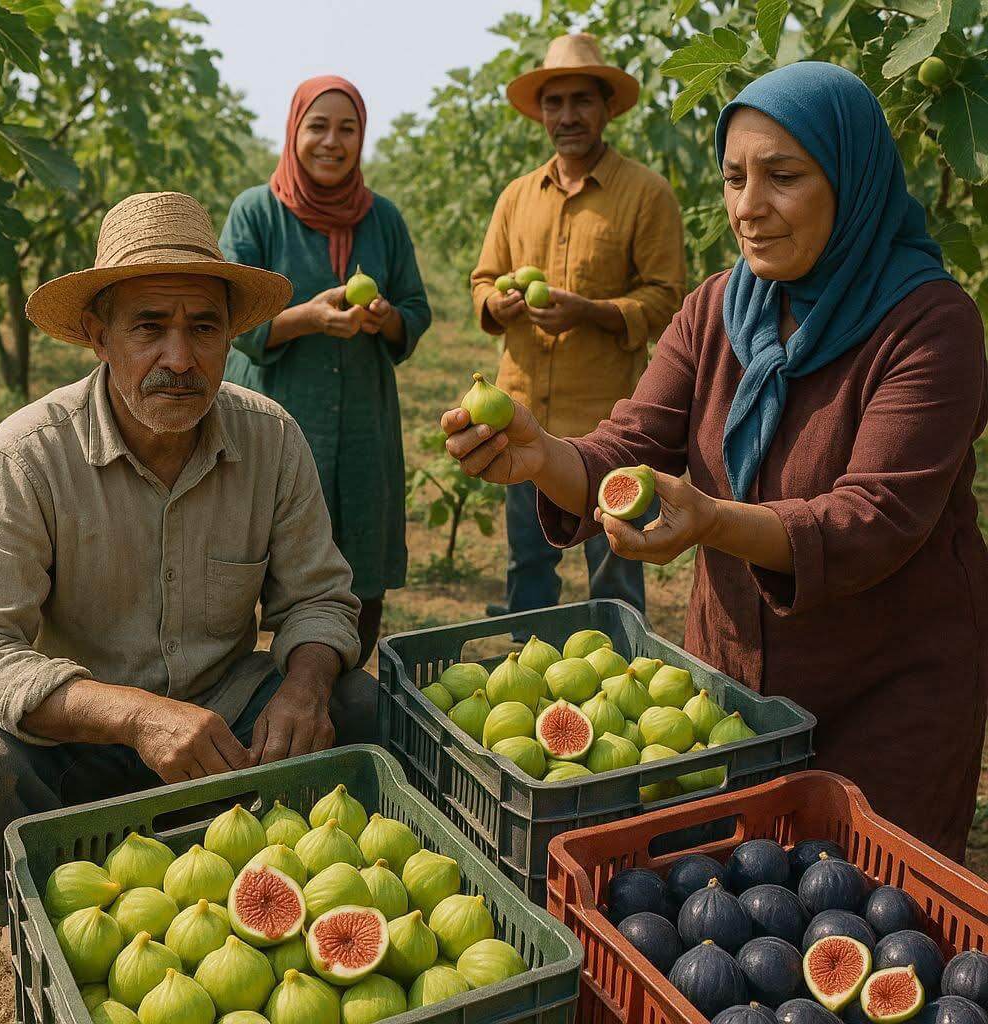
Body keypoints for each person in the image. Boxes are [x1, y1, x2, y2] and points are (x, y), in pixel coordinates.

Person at [445, 62, 988, 861]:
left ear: (852, 180)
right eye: (734, 178)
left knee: (867, 903)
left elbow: (875, 519)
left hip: (886, 689)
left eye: (783, 177)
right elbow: (631, 444)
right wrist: (542, 456)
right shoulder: (718, 308)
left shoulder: (931, 323)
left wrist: (711, 522)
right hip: (735, 683)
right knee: (732, 894)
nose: (747, 206)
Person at [0, 192, 377, 926]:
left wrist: (304, 686)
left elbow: (319, 598)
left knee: (363, 707)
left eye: (204, 328)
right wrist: (134, 716)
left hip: (231, 725)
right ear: (99, 337)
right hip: (80, 736)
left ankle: (278, 868)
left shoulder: (271, 438)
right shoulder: (26, 456)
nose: (180, 360)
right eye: (149, 327)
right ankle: (51, 905)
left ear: (230, 338)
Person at [471, 32, 687, 624]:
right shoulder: (516, 197)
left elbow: (668, 300)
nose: (566, 116)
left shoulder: (647, 194)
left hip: (607, 424)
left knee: (616, 565)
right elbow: (483, 280)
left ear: (607, 108)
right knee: (526, 565)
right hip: (521, 417)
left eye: (581, 101)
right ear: (541, 112)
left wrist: (589, 311)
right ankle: (522, 663)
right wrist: (498, 305)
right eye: (554, 102)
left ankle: (625, 664)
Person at [221, 77, 431, 665]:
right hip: (274, 417)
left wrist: (388, 318)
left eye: (347, 128)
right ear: (294, 131)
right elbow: (229, 315)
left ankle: (342, 689)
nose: (332, 142)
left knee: (360, 564)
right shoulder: (257, 212)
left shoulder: (383, 218)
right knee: (256, 558)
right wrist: (306, 318)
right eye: (318, 126)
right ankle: (255, 693)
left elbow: (416, 309)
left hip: (364, 419)